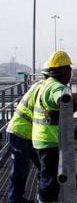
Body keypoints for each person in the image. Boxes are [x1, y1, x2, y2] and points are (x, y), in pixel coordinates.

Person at [32, 51, 77, 203]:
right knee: (49, 180)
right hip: (49, 140)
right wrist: (73, 101)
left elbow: (54, 113)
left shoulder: (47, 83)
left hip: (44, 138)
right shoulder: (56, 87)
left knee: (49, 174)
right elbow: (61, 99)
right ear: (63, 71)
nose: (71, 73)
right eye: (69, 69)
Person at [6, 63, 50, 203]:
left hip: (29, 134)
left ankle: (41, 195)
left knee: (42, 165)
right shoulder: (44, 89)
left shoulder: (40, 85)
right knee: (20, 169)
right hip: (20, 133)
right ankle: (15, 200)